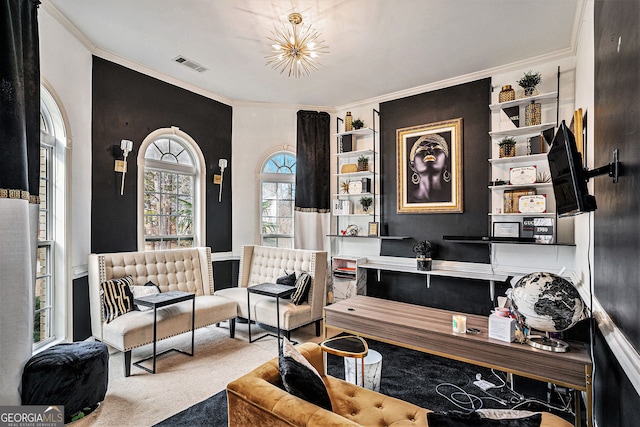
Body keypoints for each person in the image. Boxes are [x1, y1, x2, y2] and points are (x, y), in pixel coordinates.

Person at [408, 133, 451, 202]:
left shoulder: (452, 197)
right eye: (421, 149)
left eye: (437, 148)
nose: (429, 152)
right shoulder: (407, 200)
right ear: (412, 166)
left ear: (446, 162)